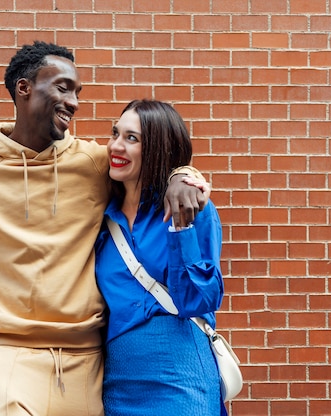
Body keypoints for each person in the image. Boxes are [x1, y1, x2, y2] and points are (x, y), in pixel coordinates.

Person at [0, 41, 209, 416]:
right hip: (9, 360)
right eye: (63, 87)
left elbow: (150, 164)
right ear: (24, 88)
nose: (74, 102)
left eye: (77, 92)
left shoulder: (92, 163)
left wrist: (184, 175)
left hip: (87, 367)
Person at [94, 99, 226, 416]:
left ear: (157, 148)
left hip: (180, 376)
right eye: (115, 133)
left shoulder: (192, 208)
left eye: (132, 138)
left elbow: (199, 299)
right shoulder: (101, 218)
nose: (116, 146)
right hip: (118, 381)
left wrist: (181, 226)